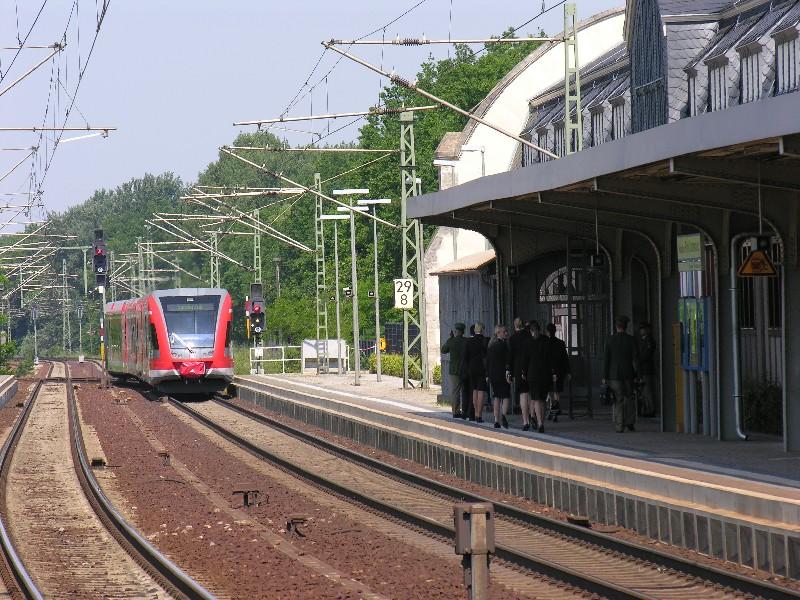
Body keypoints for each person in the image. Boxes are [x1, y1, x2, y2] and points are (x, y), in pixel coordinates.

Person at [602, 316, 639, 433]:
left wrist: (604, 376)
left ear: (616, 327)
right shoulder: (631, 340)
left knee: (618, 399)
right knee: (630, 398)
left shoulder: (610, 340)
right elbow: (636, 359)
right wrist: (638, 374)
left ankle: (619, 425)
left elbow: (606, 359)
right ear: (626, 327)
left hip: (614, 375)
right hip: (628, 374)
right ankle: (630, 422)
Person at [522, 321, 551, 433]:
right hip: (545, 373)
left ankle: (539, 423)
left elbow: (525, 359)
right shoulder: (546, 340)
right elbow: (550, 358)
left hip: (532, 374)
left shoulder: (527, 342)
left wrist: (524, 372)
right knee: (542, 399)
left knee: (536, 398)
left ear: (531, 331)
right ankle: (541, 422)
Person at [508, 318, 532, 430]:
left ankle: (525, 421)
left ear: (515, 325)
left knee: (523, 395)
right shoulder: (528, 335)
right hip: (530, 367)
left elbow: (511, 356)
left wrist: (510, 371)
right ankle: (533, 415)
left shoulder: (512, 338)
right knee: (531, 394)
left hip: (518, 368)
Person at [463, 321, 489, 422]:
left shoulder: (469, 341)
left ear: (475, 330)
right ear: (483, 329)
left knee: (474, 390)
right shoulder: (485, 340)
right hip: (482, 368)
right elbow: (487, 356)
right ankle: (479, 415)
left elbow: (465, 356)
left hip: (472, 368)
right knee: (481, 391)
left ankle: (475, 413)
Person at [487, 324, 512, 429]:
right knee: (505, 396)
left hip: (493, 374)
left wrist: (488, 375)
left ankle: (496, 420)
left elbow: (488, 361)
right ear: (498, 333)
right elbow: (507, 361)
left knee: (496, 396)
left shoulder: (491, 345)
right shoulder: (504, 345)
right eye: (504, 331)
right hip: (503, 374)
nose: (506, 333)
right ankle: (504, 415)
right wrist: (508, 373)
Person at [441, 322, 467, 418]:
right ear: (463, 332)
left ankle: (456, 411)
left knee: (455, 391)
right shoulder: (466, 341)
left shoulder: (452, 341)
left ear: (456, 331)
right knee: (465, 391)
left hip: (454, 370)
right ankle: (465, 410)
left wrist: (450, 338)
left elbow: (443, 350)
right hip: (465, 369)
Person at [546, 323, 570, 418]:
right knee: (556, 390)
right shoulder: (561, 343)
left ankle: (551, 408)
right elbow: (565, 359)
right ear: (555, 331)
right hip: (559, 371)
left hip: (548, 371)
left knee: (550, 391)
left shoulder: (545, 343)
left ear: (547, 332)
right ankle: (556, 407)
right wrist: (568, 371)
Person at [637, 322, 656, 417]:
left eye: (643, 329)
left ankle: (651, 410)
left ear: (648, 330)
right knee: (644, 391)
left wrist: (637, 359)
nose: (642, 331)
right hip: (642, 369)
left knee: (648, 391)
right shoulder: (642, 340)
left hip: (647, 369)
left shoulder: (649, 341)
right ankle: (646, 409)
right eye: (641, 329)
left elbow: (647, 354)